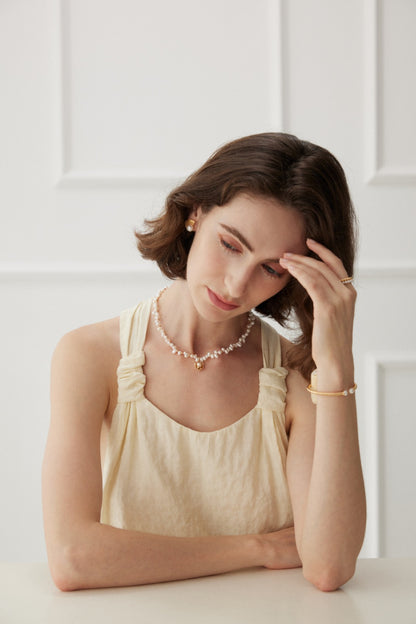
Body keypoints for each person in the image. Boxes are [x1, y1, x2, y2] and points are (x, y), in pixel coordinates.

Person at [42, 132, 366, 593]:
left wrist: (336, 367)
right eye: (231, 245)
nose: (236, 285)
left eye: (272, 269)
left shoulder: (295, 375)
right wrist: (257, 548)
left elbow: (328, 567)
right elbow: (73, 559)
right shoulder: (91, 356)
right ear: (195, 211)